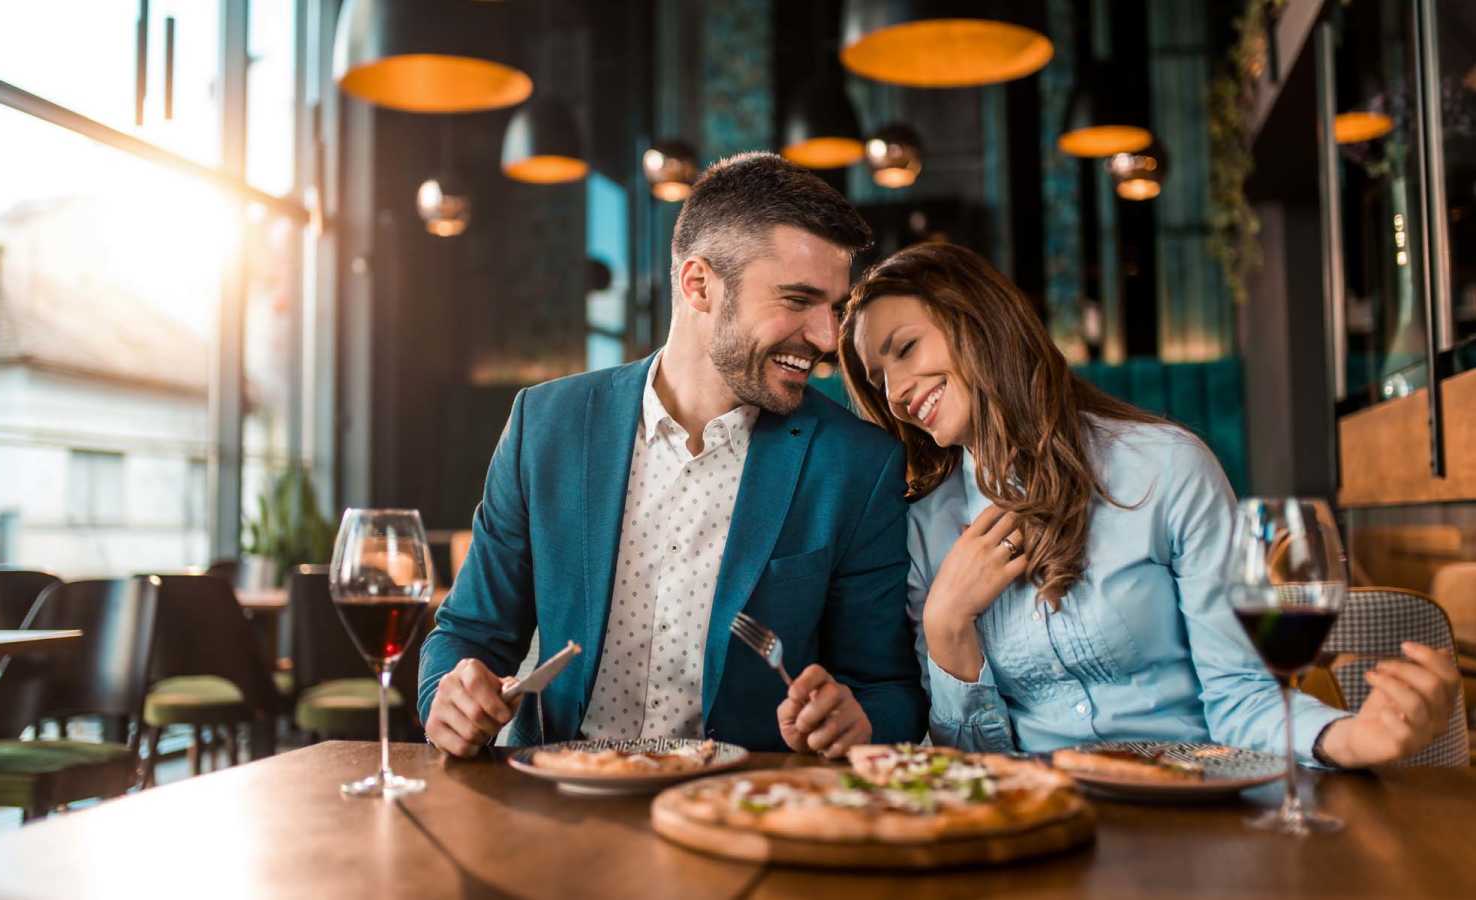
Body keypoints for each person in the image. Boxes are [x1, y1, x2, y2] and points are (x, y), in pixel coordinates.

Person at [838, 241, 1459, 767]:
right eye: (877, 377)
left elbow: (1241, 695)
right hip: (1041, 822)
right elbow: (974, 764)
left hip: (1194, 808)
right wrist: (947, 625)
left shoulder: (1164, 468)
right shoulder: (922, 528)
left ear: (977, 321)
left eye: (905, 348)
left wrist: (1351, 737)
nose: (893, 394)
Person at [419, 152, 927, 757]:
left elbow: (889, 690)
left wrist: (859, 719)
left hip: (739, 811)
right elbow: (468, 634)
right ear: (698, 284)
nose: (824, 338)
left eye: (834, 309)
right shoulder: (545, 425)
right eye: (797, 300)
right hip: (559, 798)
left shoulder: (858, 465)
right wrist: (447, 695)